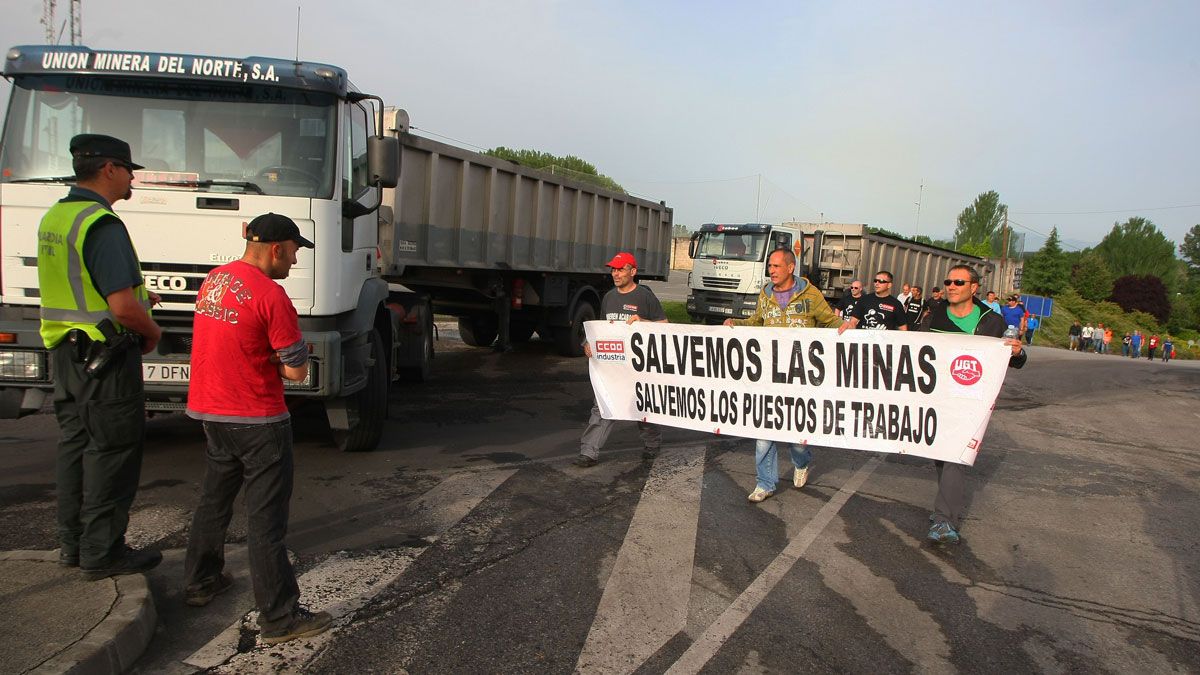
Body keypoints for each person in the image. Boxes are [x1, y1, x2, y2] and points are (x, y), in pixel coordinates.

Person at [183, 213, 333, 644]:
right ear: (276, 248)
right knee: (267, 524)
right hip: (258, 419)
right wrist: (277, 358)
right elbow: (297, 372)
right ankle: (280, 618)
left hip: (211, 412)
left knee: (214, 503)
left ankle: (199, 582)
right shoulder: (272, 296)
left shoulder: (215, 280)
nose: (295, 260)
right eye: (294, 251)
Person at [37, 134, 164, 579]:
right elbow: (122, 306)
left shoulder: (58, 216)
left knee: (75, 448)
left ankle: (73, 546)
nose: (132, 179)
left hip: (66, 354)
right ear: (109, 169)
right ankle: (103, 552)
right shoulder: (102, 224)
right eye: (129, 170)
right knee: (112, 452)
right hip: (104, 358)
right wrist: (151, 331)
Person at [917, 265, 1027, 544]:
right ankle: (945, 507)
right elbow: (913, 348)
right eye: (948, 281)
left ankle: (945, 520)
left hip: (971, 401)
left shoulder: (992, 321)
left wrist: (1018, 352)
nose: (951, 286)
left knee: (956, 455)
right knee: (941, 455)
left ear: (974, 287)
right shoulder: (934, 315)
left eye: (958, 282)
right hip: (938, 397)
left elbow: (1014, 359)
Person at [724, 249, 841, 502]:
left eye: (776, 266)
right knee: (764, 433)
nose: (772, 271)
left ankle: (801, 462)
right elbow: (757, 321)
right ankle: (765, 483)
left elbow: (829, 321)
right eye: (770, 266)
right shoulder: (765, 294)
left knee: (797, 438)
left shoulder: (810, 294)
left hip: (800, 378)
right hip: (769, 376)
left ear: (791, 267)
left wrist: (847, 327)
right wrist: (736, 323)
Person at [576, 252, 667, 467]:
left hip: (638, 368)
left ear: (633, 272)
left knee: (642, 406)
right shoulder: (609, 297)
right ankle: (589, 452)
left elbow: (664, 324)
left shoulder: (644, 296)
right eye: (613, 269)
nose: (615, 273)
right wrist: (588, 343)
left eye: (620, 269)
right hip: (612, 368)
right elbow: (600, 329)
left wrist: (643, 321)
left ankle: (652, 444)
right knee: (603, 405)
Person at [838, 270, 909, 332]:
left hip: (883, 344)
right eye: (875, 281)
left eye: (881, 281)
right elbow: (853, 322)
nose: (877, 283)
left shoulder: (896, 304)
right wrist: (847, 326)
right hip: (863, 342)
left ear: (889, 285)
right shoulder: (864, 300)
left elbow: (903, 329)